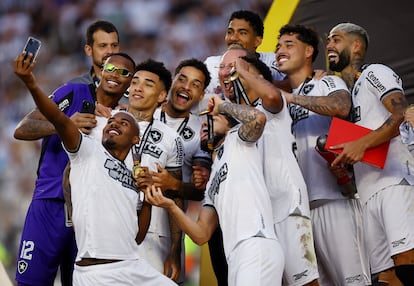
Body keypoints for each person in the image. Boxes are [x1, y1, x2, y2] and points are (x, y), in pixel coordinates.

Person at [13, 51, 176, 286]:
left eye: (124, 73)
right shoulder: (75, 93)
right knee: (32, 282)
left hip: (90, 217)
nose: (115, 75)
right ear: (100, 70)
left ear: (130, 84)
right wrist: (66, 124)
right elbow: (22, 129)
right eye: (110, 68)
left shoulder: (123, 124)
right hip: (50, 202)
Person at [145, 94, 284, 286]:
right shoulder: (212, 182)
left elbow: (258, 119)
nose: (205, 124)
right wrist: (170, 206)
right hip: (234, 256)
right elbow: (201, 234)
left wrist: (223, 106)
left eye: (213, 119)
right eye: (203, 121)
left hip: (256, 243)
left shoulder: (238, 141)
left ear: (231, 126)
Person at [275, 24, 370, 285]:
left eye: (288, 44)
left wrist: (292, 99)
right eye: (278, 46)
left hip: (334, 198)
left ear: (309, 51)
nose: (280, 50)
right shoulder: (279, 100)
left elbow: (341, 106)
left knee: (354, 281)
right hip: (301, 210)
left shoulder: (326, 81)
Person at [218, 44, 319, 286]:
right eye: (223, 69)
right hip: (262, 215)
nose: (229, 74)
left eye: (236, 69)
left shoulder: (270, 107)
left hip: (286, 206)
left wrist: (243, 71)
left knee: (305, 283)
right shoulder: (235, 125)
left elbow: (273, 95)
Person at [327, 22, 414, 285]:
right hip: (367, 191)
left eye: (336, 39)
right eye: (328, 40)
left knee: (407, 262)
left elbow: (400, 114)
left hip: (394, 182)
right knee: (385, 277)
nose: (329, 45)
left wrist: (360, 144)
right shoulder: (348, 93)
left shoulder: (374, 72)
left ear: (356, 46)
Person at [123, 59, 185, 283]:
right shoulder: (106, 123)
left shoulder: (171, 138)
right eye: (135, 82)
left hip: (155, 236)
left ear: (161, 96)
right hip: (111, 229)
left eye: (148, 84)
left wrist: (175, 250)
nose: (137, 87)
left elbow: (176, 196)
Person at [152, 58, 213, 284]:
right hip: (126, 221)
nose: (186, 87)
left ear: (200, 95)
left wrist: (174, 184)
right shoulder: (144, 113)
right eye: (182, 79)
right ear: (172, 81)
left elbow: (200, 192)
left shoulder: (202, 131)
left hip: (167, 231)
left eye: (195, 85)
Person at [69, 20, 120, 87]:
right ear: (89, 50)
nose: (110, 51)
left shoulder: (132, 86)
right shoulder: (75, 88)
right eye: (103, 46)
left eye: (114, 45)